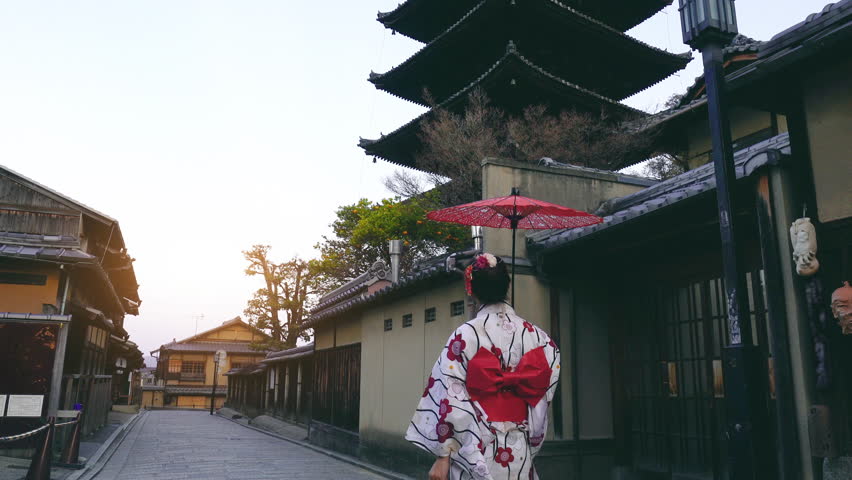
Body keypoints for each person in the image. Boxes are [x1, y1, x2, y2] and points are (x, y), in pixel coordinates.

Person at [406, 253, 561, 480]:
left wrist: (444, 455)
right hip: (519, 451)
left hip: (475, 449)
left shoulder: (464, 336)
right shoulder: (540, 338)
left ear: (471, 288)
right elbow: (542, 396)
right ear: (507, 285)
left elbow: (452, 397)